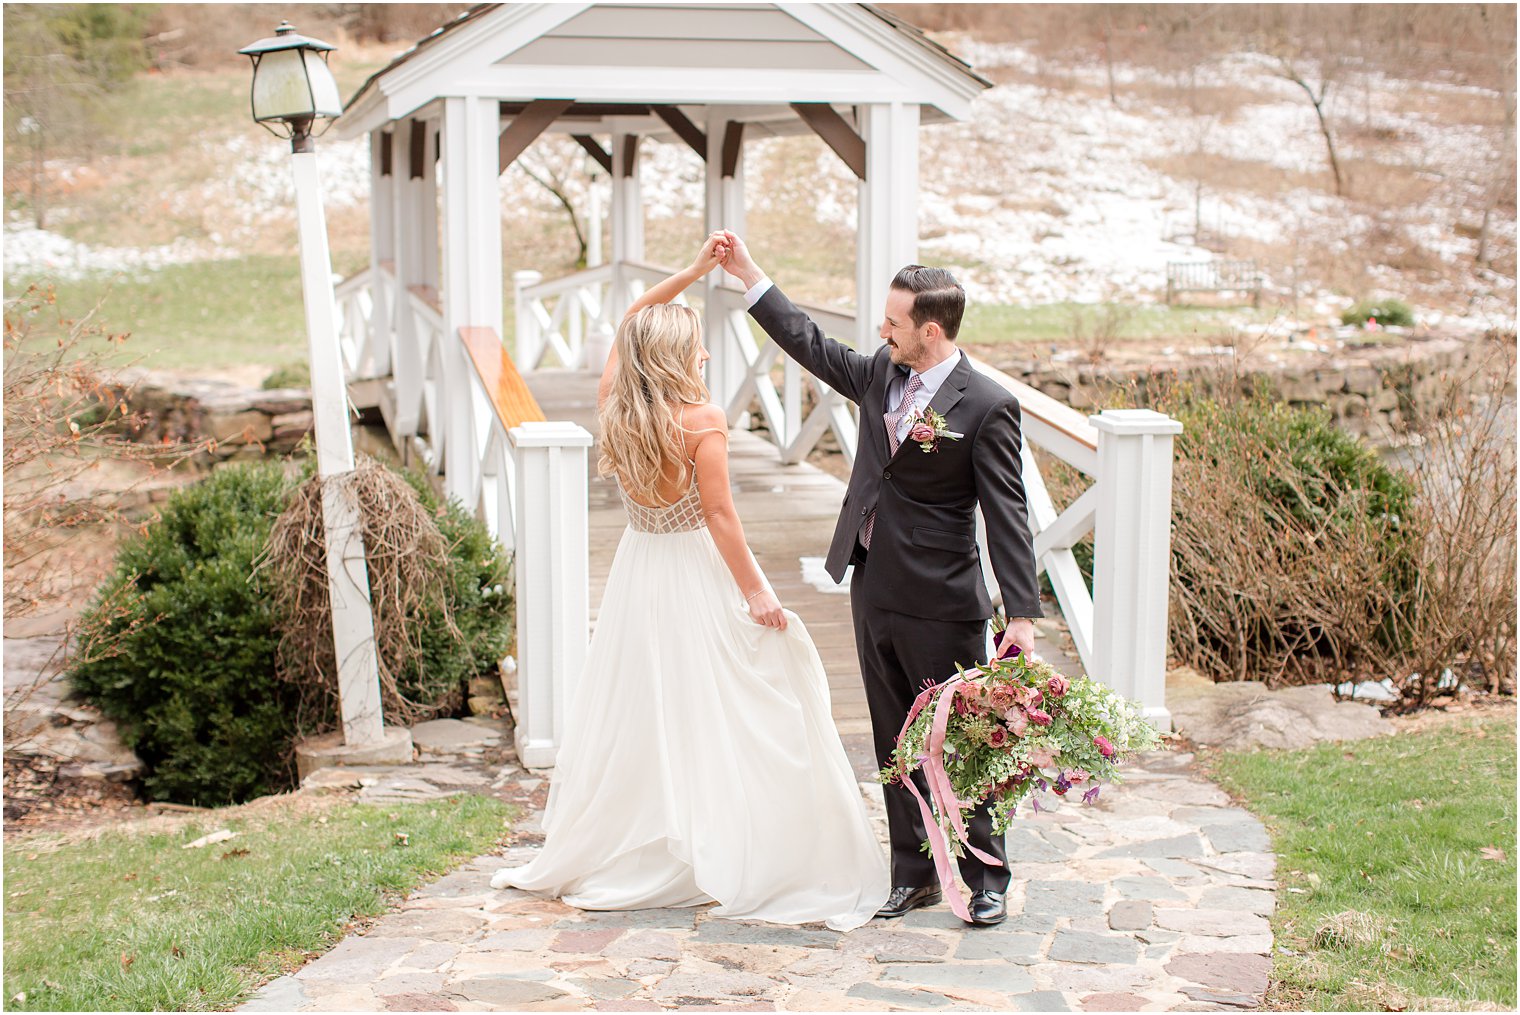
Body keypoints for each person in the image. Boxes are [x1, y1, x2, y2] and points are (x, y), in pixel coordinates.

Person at [490, 234, 889, 932]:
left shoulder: (616, 399)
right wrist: (758, 592)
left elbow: (632, 318)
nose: (705, 354)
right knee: (725, 696)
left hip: (637, 568)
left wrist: (691, 274)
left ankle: (659, 831)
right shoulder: (701, 420)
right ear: (678, 357)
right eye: (697, 345)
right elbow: (721, 516)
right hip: (692, 567)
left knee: (648, 703)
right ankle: (723, 836)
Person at [718, 231, 1041, 927]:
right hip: (873, 589)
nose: (880, 331)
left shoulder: (986, 405)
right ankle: (914, 872)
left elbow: (1007, 512)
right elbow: (809, 343)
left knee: (961, 742)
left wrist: (1021, 612)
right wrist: (751, 275)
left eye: (892, 323)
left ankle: (987, 877)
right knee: (894, 739)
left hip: (944, 600)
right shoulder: (878, 375)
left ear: (930, 330)